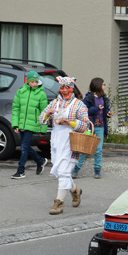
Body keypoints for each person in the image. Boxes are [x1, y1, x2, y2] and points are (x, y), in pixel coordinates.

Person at [39, 76, 89, 215]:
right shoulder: (54, 103)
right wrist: (48, 114)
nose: (65, 90)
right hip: (56, 142)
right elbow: (41, 120)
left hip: (71, 142)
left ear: (72, 88)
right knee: (60, 171)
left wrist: (70, 122)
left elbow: (85, 124)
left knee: (64, 172)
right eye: (62, 88)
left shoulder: (79, 105)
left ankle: (58, 203)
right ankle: (75, 190)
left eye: (68, 88)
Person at [72, 78, 113, 179]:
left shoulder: (104, 99)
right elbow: (85, 111)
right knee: (84, 148)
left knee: (98, 150)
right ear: (98, 86)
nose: (104, 86)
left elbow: (106, 110)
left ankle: (97, 170)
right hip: (89, 127)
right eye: (103, 84)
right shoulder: (89, 98)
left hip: (100, 127)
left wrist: (108, 113)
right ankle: (76, 169)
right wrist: (96, 108)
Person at [11, 71, 49, 179]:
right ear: (27, 82)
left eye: (36, 82)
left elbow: (44, 112)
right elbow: (16, 108)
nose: (34, 84)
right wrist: (15, 124)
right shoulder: (21, 92)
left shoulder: (41, 94)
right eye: (32, 81)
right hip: (21, 124)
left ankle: (20, 171)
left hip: (32, 124)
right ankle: (40, 161)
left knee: (23, 147)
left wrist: (43, 128)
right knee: (25, 146)